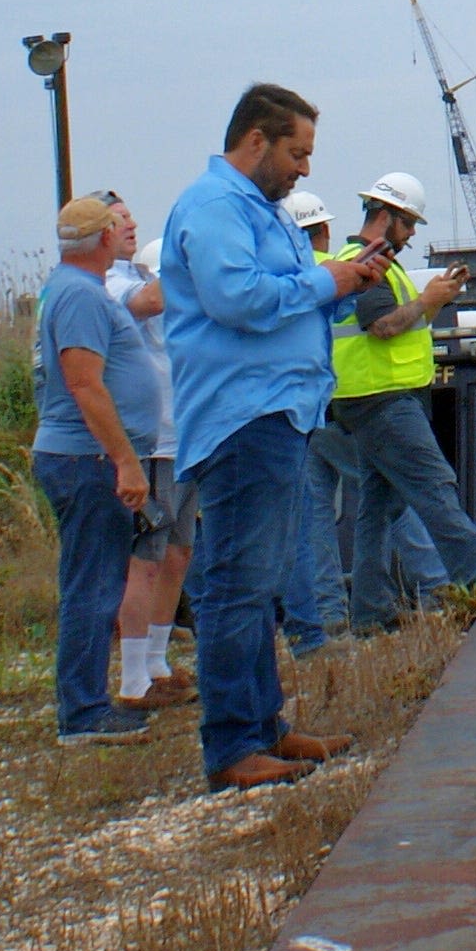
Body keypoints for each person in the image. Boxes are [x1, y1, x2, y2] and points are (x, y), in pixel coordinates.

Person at [162, 87, 386, 790]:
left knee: (258, 586)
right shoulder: (213, 209)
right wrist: (327, 284)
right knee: (236, 584)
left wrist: (347, 281)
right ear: (255, 141)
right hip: (243, 418)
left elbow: (290, 295)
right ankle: (232, 748)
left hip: (279, 414)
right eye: (297, 153)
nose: (304, 169)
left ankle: (264, 728)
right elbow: (240, 301)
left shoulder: (264, 213)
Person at [321, 173, 476, 627]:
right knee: (436, 487)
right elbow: (382, 325)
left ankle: (369, 614)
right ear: (385, 216)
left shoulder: (369, 262)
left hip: (368, 401)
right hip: (383, 401)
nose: (409, 236)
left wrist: (432, 300)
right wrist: (429, 300)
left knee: (377, 508)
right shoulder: (370, 264)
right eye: (407, 225)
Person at [32, 191, 166, 744]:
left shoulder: (73, 289)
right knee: (93, 586)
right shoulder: (82, 297)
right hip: (87, 461)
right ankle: (83, 713)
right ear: (106, 238)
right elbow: (85, 384)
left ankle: (86, 703)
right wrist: (125, 461)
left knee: (94, 581)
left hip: (85, 458)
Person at [96, 203, 196, 714]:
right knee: (146, 560)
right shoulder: (109, 285)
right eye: (118, 219)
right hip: (150, 443)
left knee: (177, 554)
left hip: (181, 437)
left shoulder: (137, 275)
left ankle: (156, 661)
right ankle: (133, 677)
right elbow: (153, 300)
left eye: (133, 216)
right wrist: (200, 254)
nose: (131, 225)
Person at [273, 189, 350, 653]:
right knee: (386, 495)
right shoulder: (319, 275)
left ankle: (319, 618)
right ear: (320, 230)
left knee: (310, 517)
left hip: (307, 412)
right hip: (322, 409)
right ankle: (310, 630)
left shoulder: (289, 276)